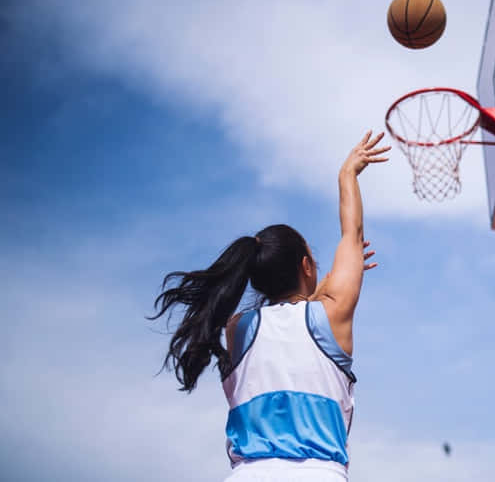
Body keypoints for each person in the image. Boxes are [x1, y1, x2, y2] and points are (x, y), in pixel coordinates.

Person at [149, 131, 390, 481]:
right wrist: (347, 174)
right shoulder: (332, 314)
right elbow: (351, 234)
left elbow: (290, 324)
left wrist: (318, 292)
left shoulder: (237, 329)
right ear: (306, 267)